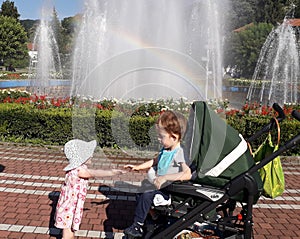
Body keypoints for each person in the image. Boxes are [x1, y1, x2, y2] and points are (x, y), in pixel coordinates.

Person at [124, 110, 192, 238]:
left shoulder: (179, 153)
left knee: (146, 193)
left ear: (174, 137)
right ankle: (154, 216)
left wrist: (165, 177)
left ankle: (137, 225)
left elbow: (187, 174)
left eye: (161, 136)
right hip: (158, 186)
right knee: (141, 189)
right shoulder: (165, 149)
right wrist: (138, 167)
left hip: (168, 191)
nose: (158, 138)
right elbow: (155, 161)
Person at [55, 139, 125, 239]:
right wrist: (112, 172)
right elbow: (95, 173)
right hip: (69, 208)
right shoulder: (79, 170)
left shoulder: (78, 168)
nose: (91, 156)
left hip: (69, 206)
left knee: (69, 230)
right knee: (68, 233)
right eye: (88, 154)